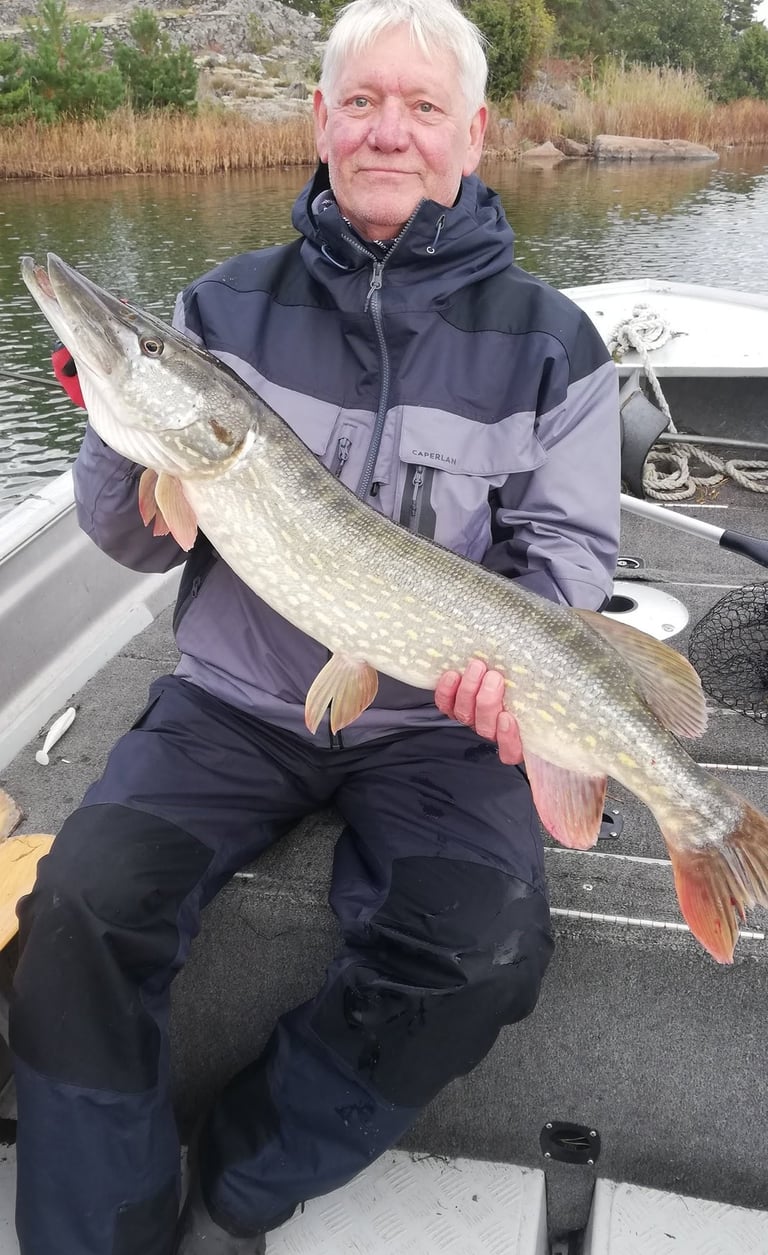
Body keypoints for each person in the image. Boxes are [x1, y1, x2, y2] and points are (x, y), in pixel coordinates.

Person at [10, 0, 620, 1250]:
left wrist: (519, 679)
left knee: (484, 949)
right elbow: (133, 536)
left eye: (421, 106)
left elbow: (568, 560)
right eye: (361, 102)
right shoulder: (220, 307)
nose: (387, 130)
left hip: (436, 721)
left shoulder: (556, 345)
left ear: (475, 131)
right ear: (321, 121)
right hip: (235, 698)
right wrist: (113, 423)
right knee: (78, 907)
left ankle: (238, 1188)